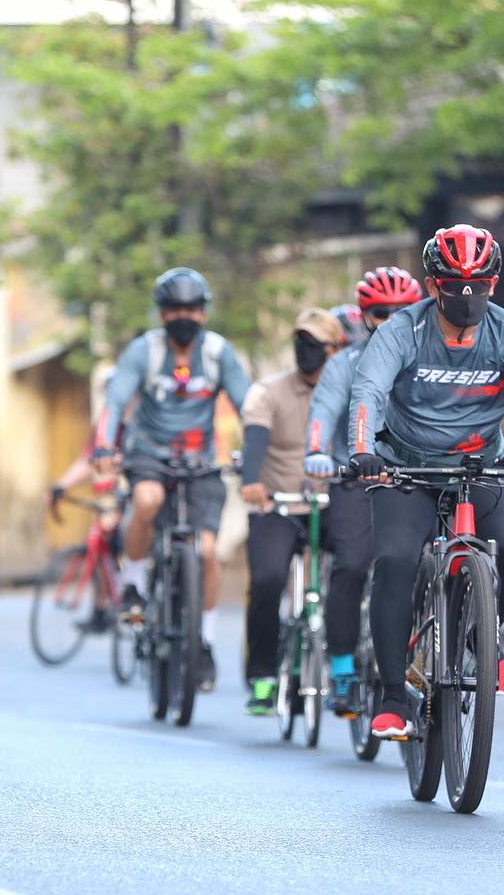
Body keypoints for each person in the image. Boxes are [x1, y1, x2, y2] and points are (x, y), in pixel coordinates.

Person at [347, 225, 504, 741]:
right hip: (407, 469)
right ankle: (392, 697)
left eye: (477, 286)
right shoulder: (401, 331)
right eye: (453, 286)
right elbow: (368, 390)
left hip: (482, 466)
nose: (466, 295)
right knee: (394, 561)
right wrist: (363, 450)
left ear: (492, 285)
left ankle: (481, 634)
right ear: (432, 286)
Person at [93, 267, 251, 691]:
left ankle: (205, 642)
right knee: (145, 501)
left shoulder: (218, 353)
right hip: (148, 455)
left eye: (193, 309)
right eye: (175, 309)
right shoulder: (144, 352)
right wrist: (105, 446)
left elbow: (248, 407)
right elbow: (115, 402)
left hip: (200, 462)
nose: (185, 316)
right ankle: (134, 583)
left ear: (204, 312)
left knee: (208, 550)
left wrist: (257, 453)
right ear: (162, 313)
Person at [304, 267, 422, 716]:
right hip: (357, 477)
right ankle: (342, 668)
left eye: (402, 312)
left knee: (425, 562)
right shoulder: (344, 363)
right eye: (381, 313)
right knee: (351, 565)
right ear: (364, 316)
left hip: (415, 476)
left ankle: (428, 650)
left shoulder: (432, 358)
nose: (392, 321)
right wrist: (317, 451)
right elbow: (323, 411)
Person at [238, 308, 342, 713]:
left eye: (314, 343)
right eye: (300, 341)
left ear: (335, 349)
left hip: (330, 502)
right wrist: (251, 480)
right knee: (266, 580)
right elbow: (254, 440)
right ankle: (263, 676)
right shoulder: (269, 391)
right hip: (277, 504)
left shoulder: (349, 390)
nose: (305, 350)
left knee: (360, 565)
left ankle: (351, 665)